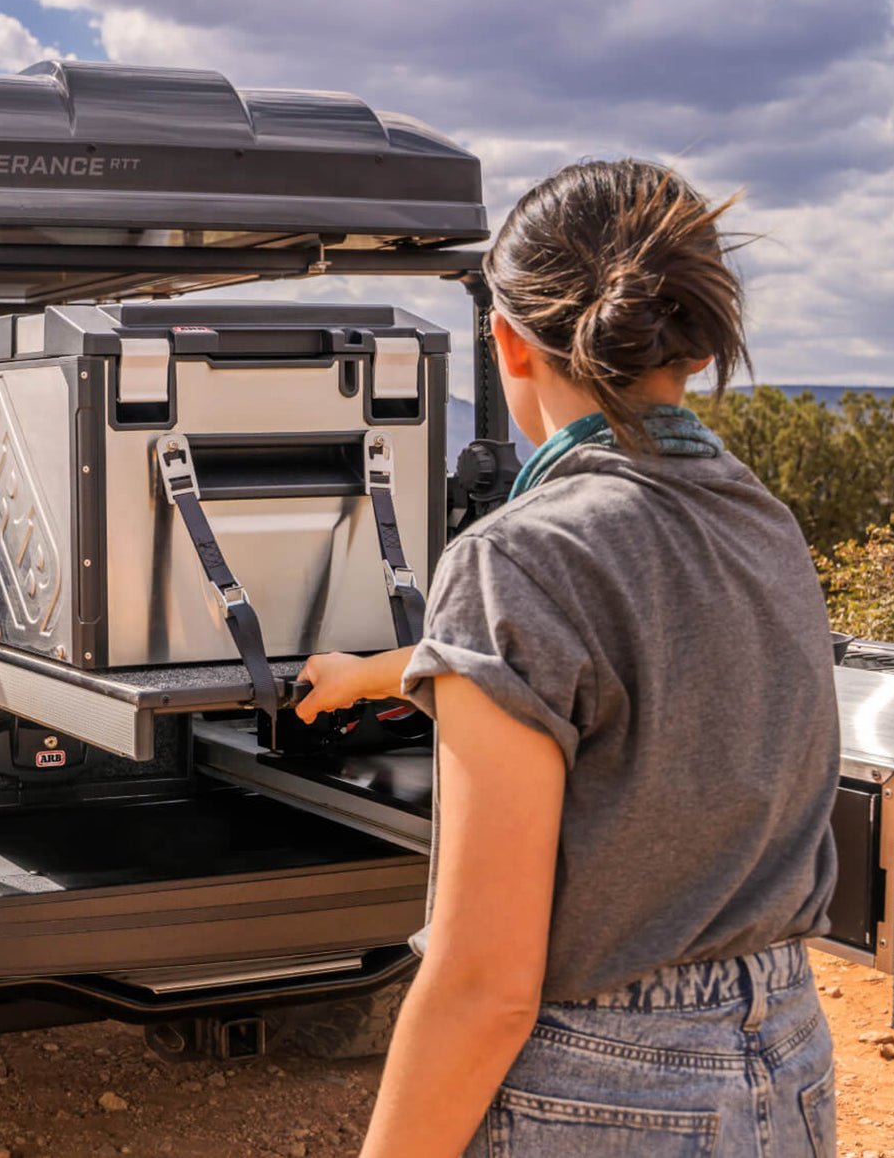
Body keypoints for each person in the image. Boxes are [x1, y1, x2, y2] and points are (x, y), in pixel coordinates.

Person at [297, 159, 839, 1157]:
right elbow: (594, 649)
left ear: (506, 339)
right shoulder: (757, 518)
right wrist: (368, 672)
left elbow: (483, 984)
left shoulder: (514, 556)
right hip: (787, 1054)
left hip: (605, 1082)